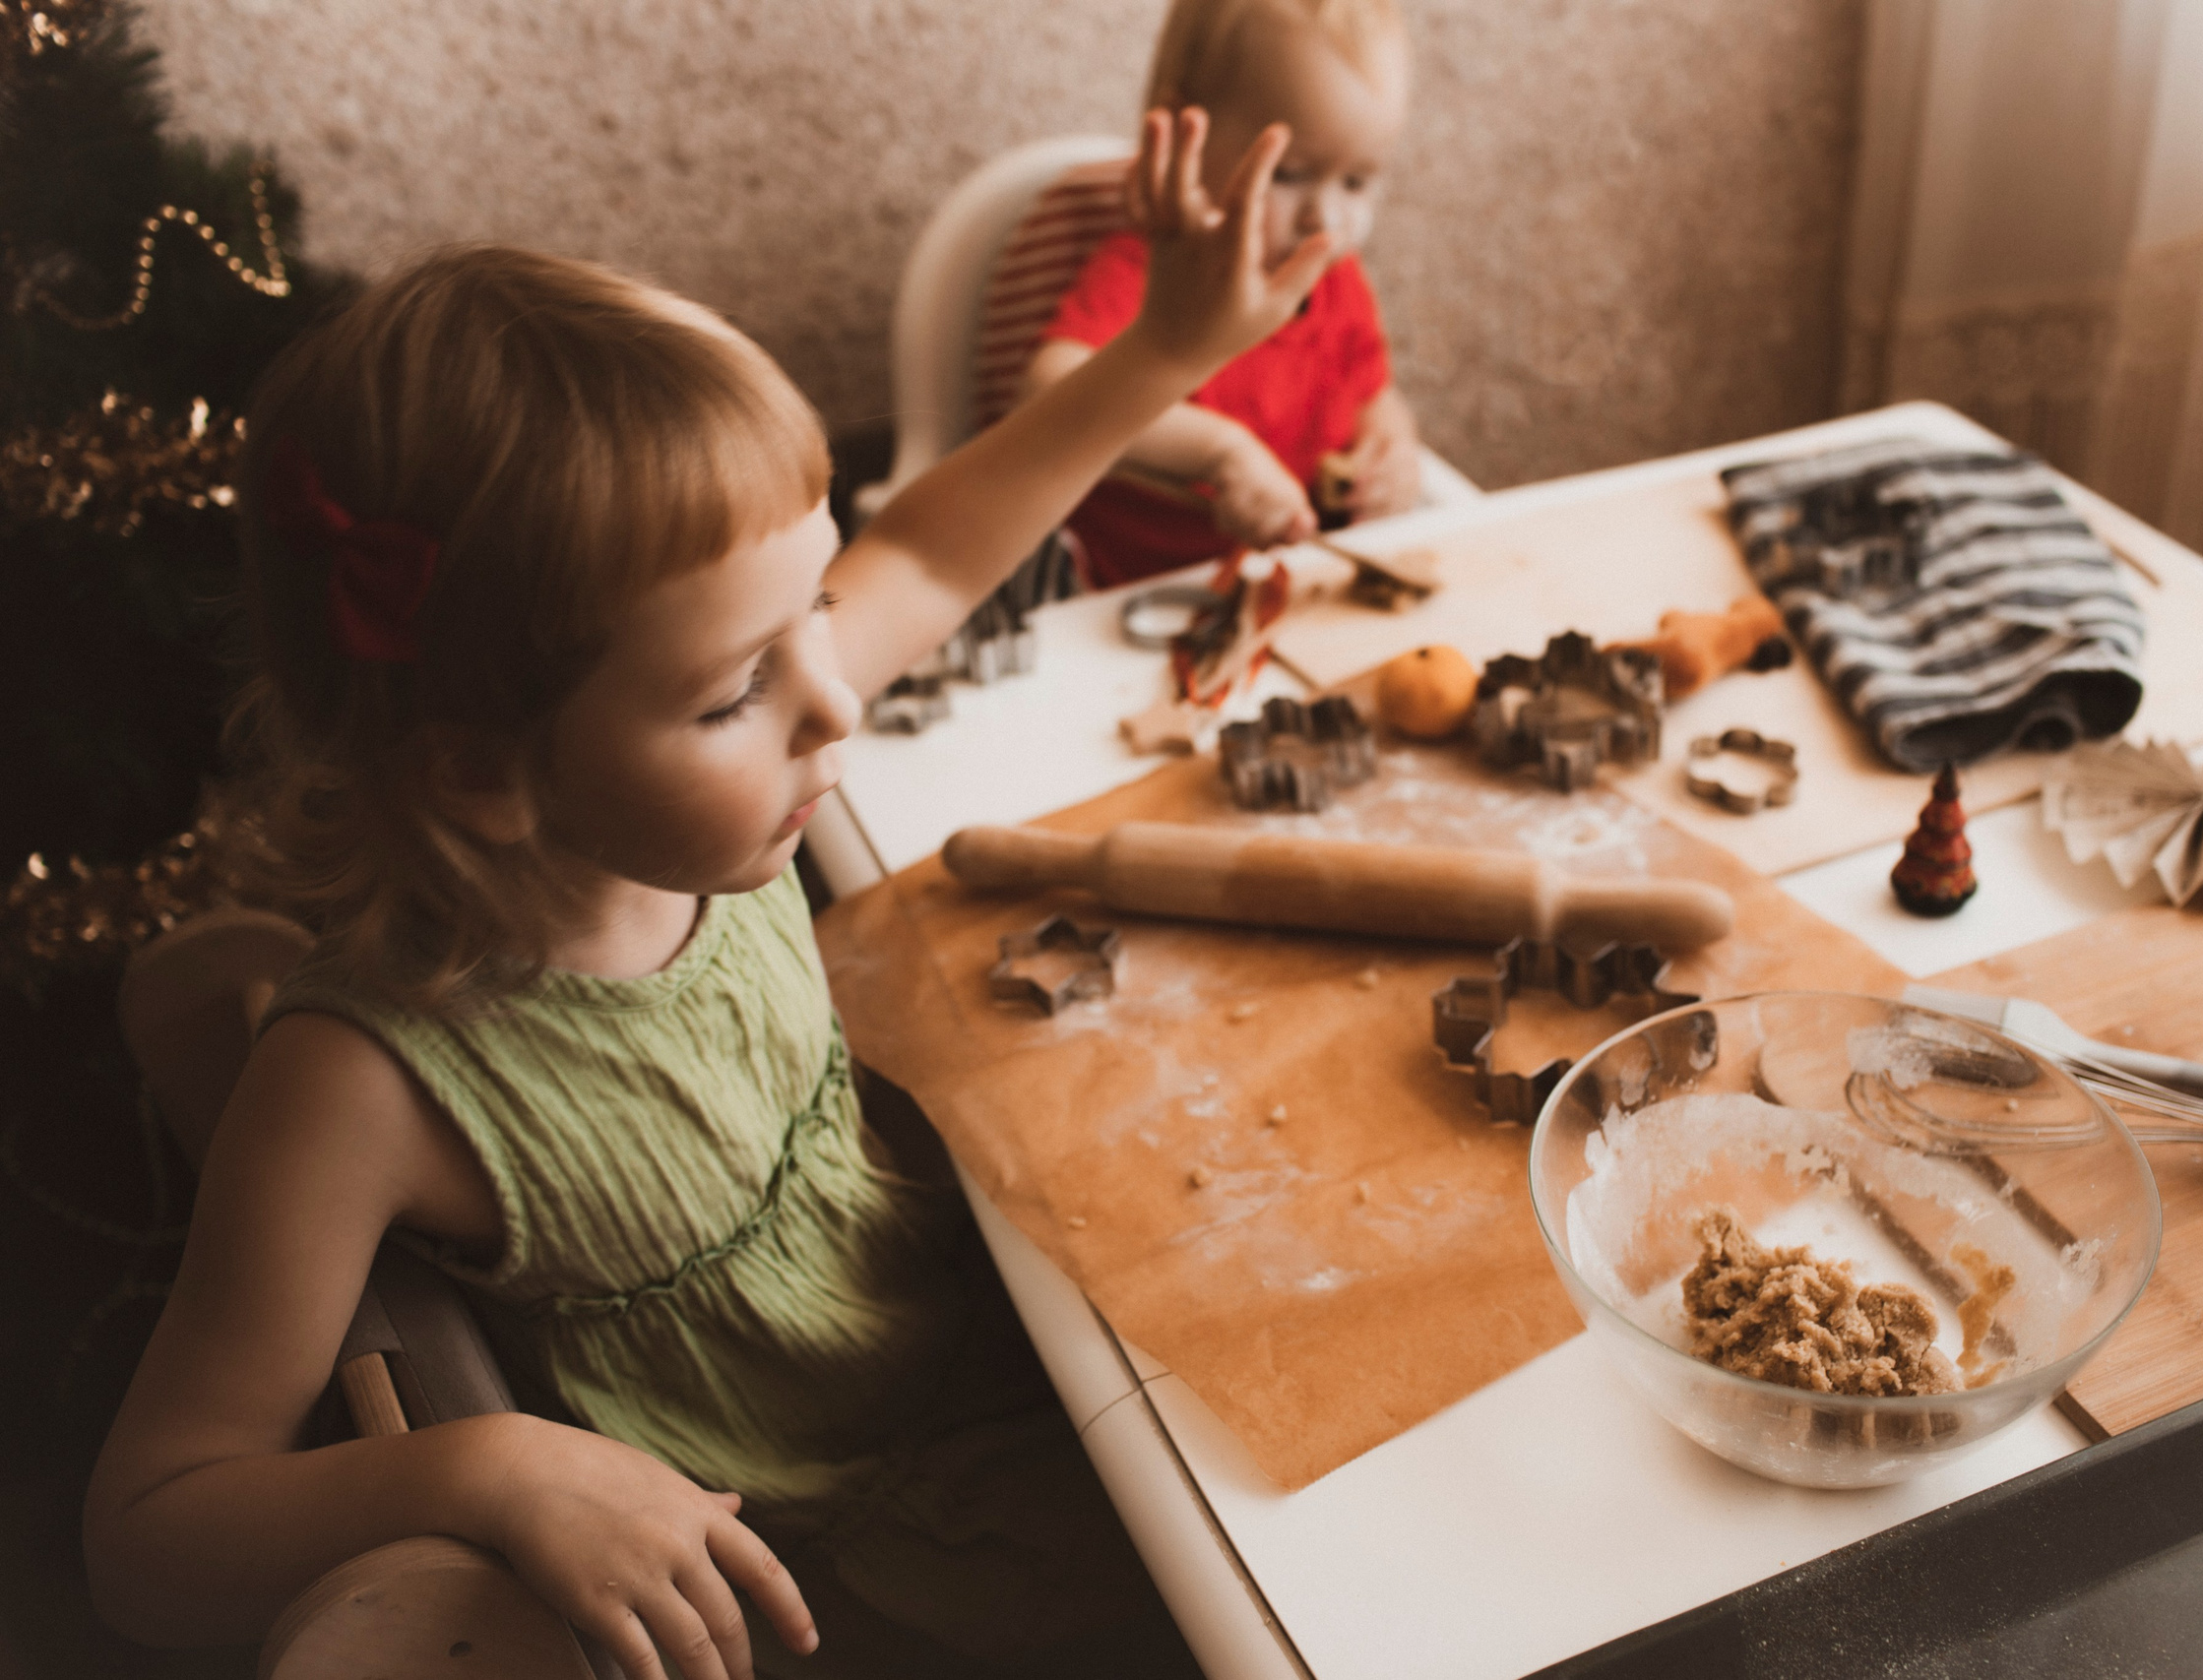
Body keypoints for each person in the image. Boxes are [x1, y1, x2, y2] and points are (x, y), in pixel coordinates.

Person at [82, 109, 1333, 1680]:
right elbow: (147, 1531)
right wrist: (485, 1464)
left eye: (816, 605)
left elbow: (937, 549)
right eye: (744, 679)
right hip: (878, 1570)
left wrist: (1163, 348)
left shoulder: (701, 804)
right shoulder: (357, 1087)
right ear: (484, 772)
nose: (837, 698)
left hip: (997, 1332)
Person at [1024, 0, 1420, 588]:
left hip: (1286, 579)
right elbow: (1047, 387)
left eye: (1356, 182)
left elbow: (1369, 390)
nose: (1326, 218)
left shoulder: (1334, 277)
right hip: (1121, 590)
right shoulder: (1154, 270)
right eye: (1288, 175)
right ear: (1188, 132)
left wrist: (1394, 447)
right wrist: (1217, 452)